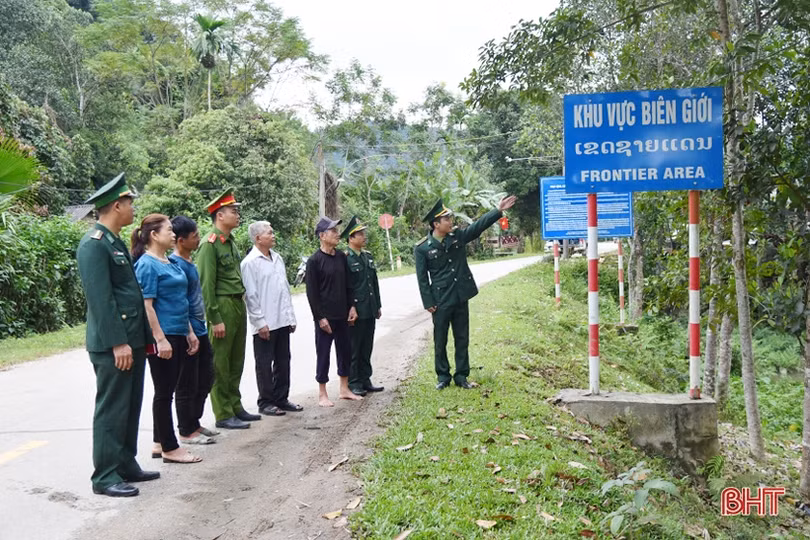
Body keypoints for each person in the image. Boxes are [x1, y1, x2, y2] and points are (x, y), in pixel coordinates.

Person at [76, 173, 159, 498]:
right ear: (115, 205)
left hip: (132, 340)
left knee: (130, 404)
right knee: (112, 407)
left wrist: (141, 339)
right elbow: (101, 300)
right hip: (115, 343)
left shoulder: (113, 241)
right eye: (129, 203)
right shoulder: (94, 245)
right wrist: (118, 342)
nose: (133, 209)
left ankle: (125, 463)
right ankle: (105, 475)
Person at [414, 196, 517, 390]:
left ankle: (461, 375)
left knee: (462, 337)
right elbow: (422, 279)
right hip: (440, 299)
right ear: (436, 224)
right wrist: (428, 302)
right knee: (440, 339)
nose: (451, 222)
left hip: (460, 295)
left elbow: (477, 227)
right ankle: (442, 376)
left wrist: (498, 210)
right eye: (446, 219)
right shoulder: (422, 249)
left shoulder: (457, 237)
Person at [132, 214, 203, 464]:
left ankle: (159, 442)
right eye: (169, 230)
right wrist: (160, 339)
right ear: (154, 235)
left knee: (168, 389)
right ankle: (170, 448)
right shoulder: (147, 264)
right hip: (163, 336)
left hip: (178, 332)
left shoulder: (169, 262)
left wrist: (190, 332)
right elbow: (147, 305)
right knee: (164, 393)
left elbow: (180, 300)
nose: (173, 234)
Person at [197, 188, 261, 429]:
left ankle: (235, 405)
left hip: (236, 303)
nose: (237, 215)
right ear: (219, 215)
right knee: (220, 362)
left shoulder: (231, 242)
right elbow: (206, 285)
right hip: (222, 306)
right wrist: (214, 318)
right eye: (233, 211)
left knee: (236, 360)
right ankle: (223, 413)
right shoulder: (209, 244)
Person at [241, 221, 302, 416]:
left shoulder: (277, 258)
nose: (273, 235)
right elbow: (251, 296)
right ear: (258, 238)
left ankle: (281, 398)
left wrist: (290, 317)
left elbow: (284, 290)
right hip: (265, 323)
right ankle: (266, 401)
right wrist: (259, 322)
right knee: (264, 364)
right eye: (270, 232)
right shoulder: (249, 263)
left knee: (283, 361)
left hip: (282, 320)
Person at [169, 216, 219, 443]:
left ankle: (195, 422)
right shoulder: (175, 264)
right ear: (180, 241)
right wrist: (188, 331)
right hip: (187, 331)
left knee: (206, 376)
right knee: (186, 382)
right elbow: (180, 301)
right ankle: (186, 430)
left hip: (200, 328)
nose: (198, 239)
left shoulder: (190, 261)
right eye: (194, 236)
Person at [305, 217, 360, 407]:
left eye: (337, 231)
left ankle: (344, 389)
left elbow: (348, 285)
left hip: (343, 315)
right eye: (333, 231)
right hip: (325, 318)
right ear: (322, 236)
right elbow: (312, 293)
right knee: (323, 353)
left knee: (345, 351)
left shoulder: (341, 257)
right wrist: (320, 317)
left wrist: (352, 306)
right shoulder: (314, 261)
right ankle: (322, 394)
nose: (338, 234)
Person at [340, 216, 383, 396]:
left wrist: (378, 305)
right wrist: (350, 308)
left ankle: (366, 379)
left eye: (364, 233)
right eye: (360, 234)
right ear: (351, 238)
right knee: (355, 348)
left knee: (367, 346)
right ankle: (354, 381)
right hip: (356, 310)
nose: (364, 236)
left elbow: (374, 282)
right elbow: (345, 288)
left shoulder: (367, 256)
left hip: (370, 308)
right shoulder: (345, 259)